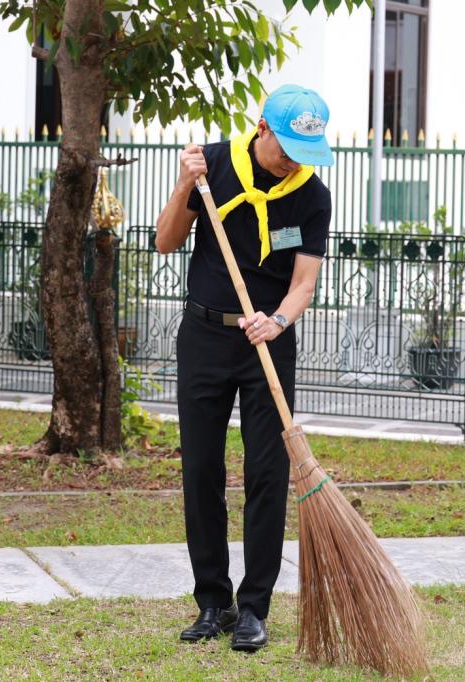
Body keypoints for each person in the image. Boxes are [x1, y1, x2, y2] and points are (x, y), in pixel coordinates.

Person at [154, 84, 334, 652]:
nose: (293, 164)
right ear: (263, 129)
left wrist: (277, 321)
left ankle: (254, 608)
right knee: (201, 469)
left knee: (267, 474)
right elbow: (165, 242)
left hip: (268, 345)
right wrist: (185, 182)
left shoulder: (311, 196)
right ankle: (213, 602)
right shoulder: (210, 166)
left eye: (307, 153)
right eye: (288, 150)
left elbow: (304, 283)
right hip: (205, 336)